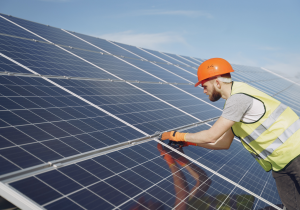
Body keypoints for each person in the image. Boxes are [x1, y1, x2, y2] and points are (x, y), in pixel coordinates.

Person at [160, 58, 300, 210]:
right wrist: (190, 142)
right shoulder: (233, 106)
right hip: (281, 164)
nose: (204, 90)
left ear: (217, 83)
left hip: (296, 155)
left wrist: (178, 135)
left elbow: (211, 135)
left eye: (204, 85)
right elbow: (223, 143)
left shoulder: (238, 99)